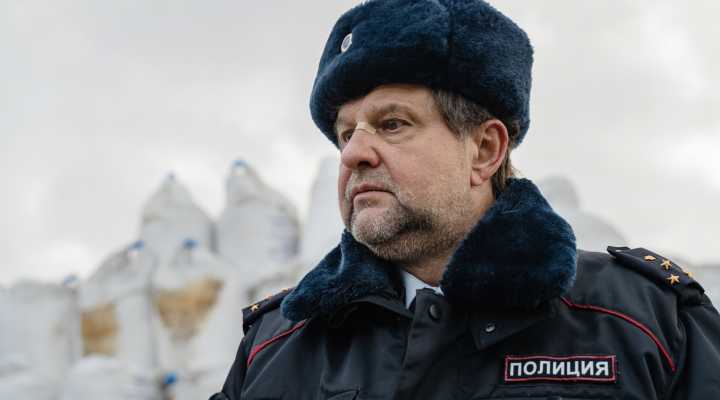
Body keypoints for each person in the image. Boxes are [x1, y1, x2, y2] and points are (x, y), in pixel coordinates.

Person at [211, 1, 720, 399]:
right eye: (346, 134)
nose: (354, 154)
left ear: (484, 150)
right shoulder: (273, 347)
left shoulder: (643, 323)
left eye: (393, 123)